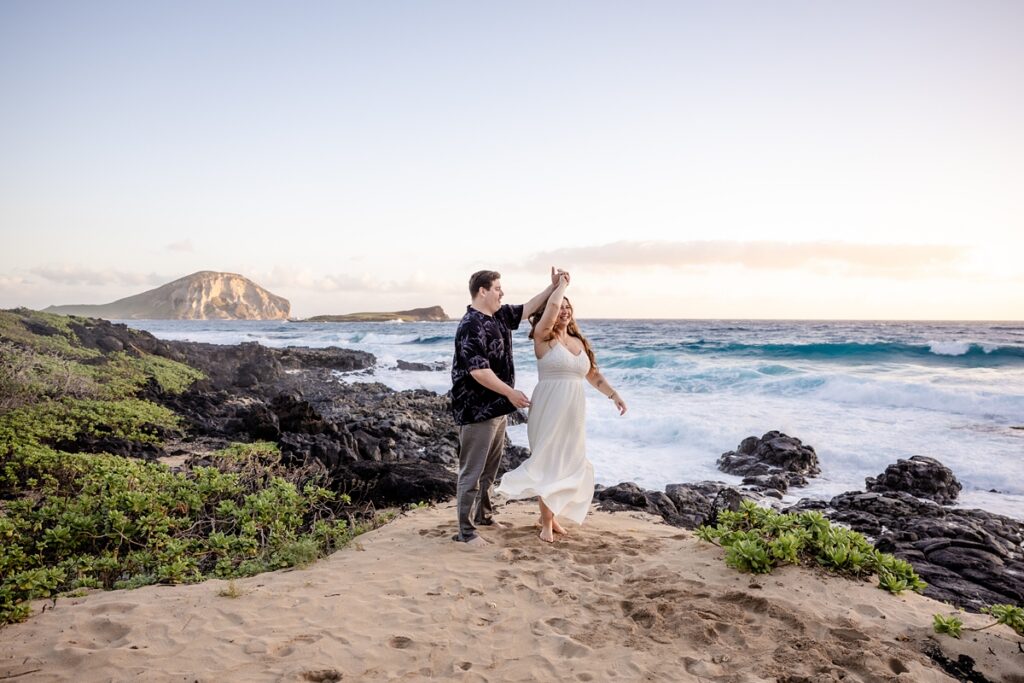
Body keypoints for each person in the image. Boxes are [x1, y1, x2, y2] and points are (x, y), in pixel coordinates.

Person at [495, 273, 627, 542]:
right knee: (548, 461)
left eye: (569, 307)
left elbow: (594, 375)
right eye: (560, 306)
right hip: (549, 406)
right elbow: (552, 307)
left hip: (574, 411)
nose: (564, 310)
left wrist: (614, 395)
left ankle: (550, 517)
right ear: (547, 313)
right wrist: (561, 285)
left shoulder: (580, 342)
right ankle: (546, 522)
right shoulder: (543, 338)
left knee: (568, 461)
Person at [450, 267, 568, 546]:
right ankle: (466, 533)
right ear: (483, 291)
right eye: (498, 288)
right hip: (476, 410)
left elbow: (528, 309)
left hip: (497, 409)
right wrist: (511, 393)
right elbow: (479, 372)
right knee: (472, 472)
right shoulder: (470, 325)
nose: (502, 292)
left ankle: (484, 516)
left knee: (490, 469)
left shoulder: (499, 315)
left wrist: (553, 287)